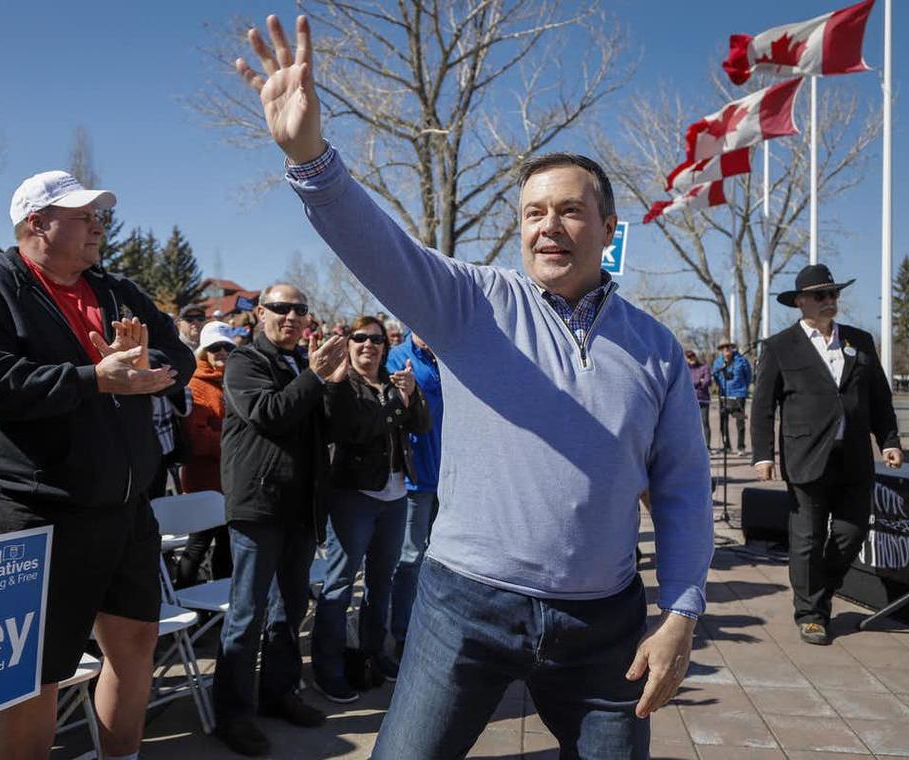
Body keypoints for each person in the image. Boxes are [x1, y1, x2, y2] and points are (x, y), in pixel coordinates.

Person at [235, 18, 713, 758]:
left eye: (569, 210)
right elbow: (379, 246)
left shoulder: (654, 349)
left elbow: (683, 488)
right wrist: (310, 159)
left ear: (607, 226)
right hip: (464, 608)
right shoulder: (471, 303)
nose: (547, 226)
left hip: (602, 624)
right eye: (532, 213)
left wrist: (681, 611)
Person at [0, 169, 195, 760]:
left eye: (99, 214)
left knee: (135, 640)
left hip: (126, 504)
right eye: (83, 215)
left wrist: (147, 365)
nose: (98, 225)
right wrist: (92, 379)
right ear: (36, 223)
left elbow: (177, 352)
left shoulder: (116, 289)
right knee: (37, 672)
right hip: (40, 510)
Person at [213, 283, 348, 756]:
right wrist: (315, 376)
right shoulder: (245, 361)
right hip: (258, 505)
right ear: (259, 314)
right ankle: (232, 714)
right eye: (280, 308)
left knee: (288, 612)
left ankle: (278, 694)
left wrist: (333, 384)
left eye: (299, 310)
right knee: (247, 614)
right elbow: (269, 414)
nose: (290, 316)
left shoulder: (302, 364)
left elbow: (329, 426)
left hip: (299, 506)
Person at [751, 264, 903, 646]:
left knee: (850, 534)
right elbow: (763, 407)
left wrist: (889, 440)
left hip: (854, 458)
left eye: (833, 294)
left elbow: (880, 399)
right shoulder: (779, 346)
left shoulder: (860, 342)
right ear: (801, 302)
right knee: (806, 539)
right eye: (821, 295)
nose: (829, 301)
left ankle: (820, 591)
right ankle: (811, 614)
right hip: (805, 456)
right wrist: (763, 455)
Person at [312, 315, 430, 702]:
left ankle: (373, 654)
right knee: (341, 583)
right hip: (354, 498)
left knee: (383, 584)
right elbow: (358, 429)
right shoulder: (344, 384)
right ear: (349, 344)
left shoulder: (396, 382)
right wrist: (399, 402)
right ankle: (328, 669)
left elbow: (422, 426)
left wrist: (413, 395)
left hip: (395, 497)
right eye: (360, 338)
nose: (369, 345)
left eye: (376, 339)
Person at [386, 328, 443, 655]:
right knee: (409, 558)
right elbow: (397, 411)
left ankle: (431, 625)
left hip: (447, 477)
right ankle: (403, 634)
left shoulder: (445, 352)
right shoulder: (398, 356)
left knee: (440, 557)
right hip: (416, 479)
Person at [177, 320, 238, 588]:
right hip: (204, 482)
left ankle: (220, 610)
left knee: (226, 544)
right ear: (204, 351)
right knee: (198, 544)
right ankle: (185, 595)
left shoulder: (235, 382)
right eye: (216, 347)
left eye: (228, 347)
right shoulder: (196, 385)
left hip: (231, 481)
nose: (222, 352)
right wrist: (236, 442)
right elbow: (197, 439)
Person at [712, 340, 752, 453]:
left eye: (728, 347)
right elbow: (715, 375)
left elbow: (748, 376)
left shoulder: (741, 360)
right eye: (723, 347)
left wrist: (743, 387)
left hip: (739, 394)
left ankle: (741, 447)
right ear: (721, 350)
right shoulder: (718, 362)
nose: (726, 349)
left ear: (732, 348)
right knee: (723, 422)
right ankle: (727, 446)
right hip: (724, 394)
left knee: (740, 421)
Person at [686, 349, 712, 448]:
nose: (691, 358)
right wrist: (698, 381)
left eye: (692, 356)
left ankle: (707, 446)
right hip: (690, 400)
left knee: (705, 423)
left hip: (703, 399)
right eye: (689, 357)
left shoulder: (704, 367)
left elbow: (707, 381)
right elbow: (685, 383)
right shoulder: (685, 369)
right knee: (691, 424)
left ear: (695, 356)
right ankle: (692, 446)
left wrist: (696, 382)